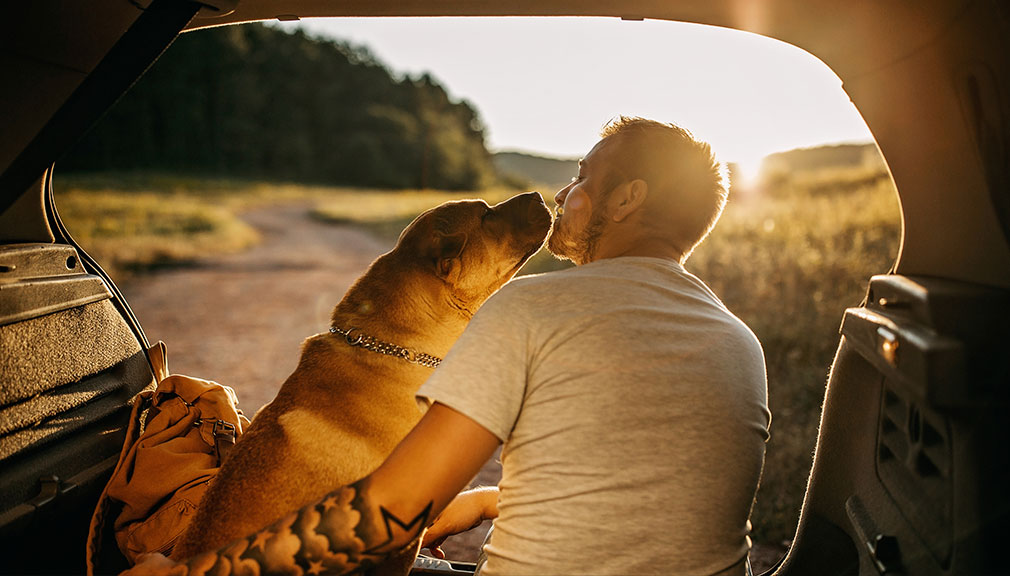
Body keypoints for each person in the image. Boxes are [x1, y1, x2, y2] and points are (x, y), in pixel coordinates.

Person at [125, 117, 770, 576]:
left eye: (582, 179)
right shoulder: (740, 341)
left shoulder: (531, 308)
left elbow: (389, 513)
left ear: (628, 200)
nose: (565, 196)